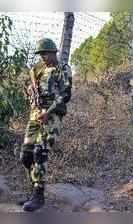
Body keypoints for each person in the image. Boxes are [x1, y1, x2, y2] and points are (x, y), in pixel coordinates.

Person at [19, 38, 72, 212]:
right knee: (26, 156)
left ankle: (38, 195)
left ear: (53, 52)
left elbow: (65, 95)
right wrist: (29, 92)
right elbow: (31, 90)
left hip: (51, 114)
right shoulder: (36, 70)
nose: (42, 57)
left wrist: (48, 111)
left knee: (39, 152)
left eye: (45, 53)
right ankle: (33, 189)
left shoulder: (62, 69)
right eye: (40, 54)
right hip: (35, 115)